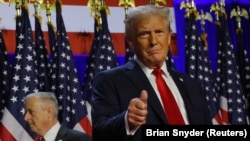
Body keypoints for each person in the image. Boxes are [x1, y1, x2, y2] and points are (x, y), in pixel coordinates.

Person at [91, 5, 212, 141]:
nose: (154, 41)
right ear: (131, 42)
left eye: (159, 32)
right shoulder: (109, 81)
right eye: (144, 34)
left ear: (168, 37)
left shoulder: (192, 85)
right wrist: (127, 121)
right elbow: (100, 133)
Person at [24, 92, 92, 141]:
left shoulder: (79, 139)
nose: (26, 118)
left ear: (49, 112)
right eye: (26, 112)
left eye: (31, 112)